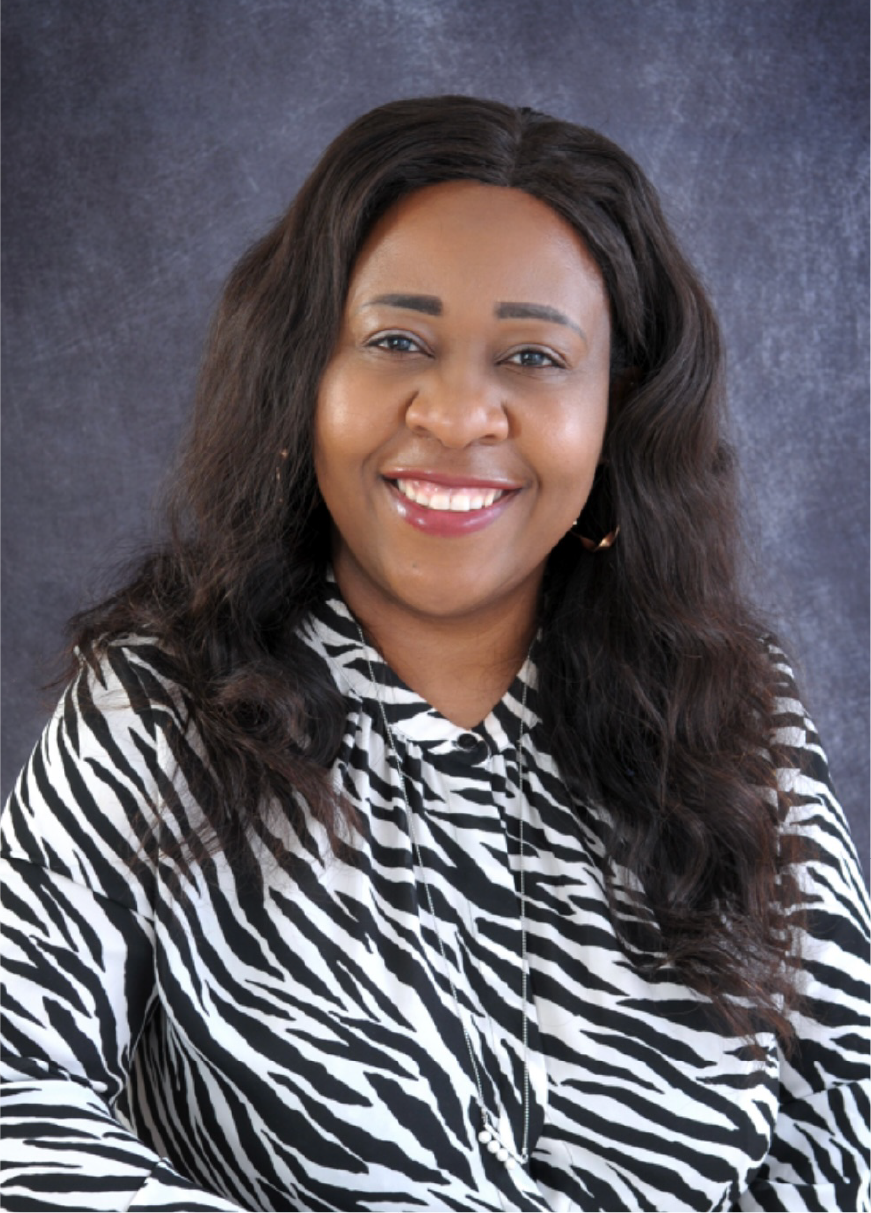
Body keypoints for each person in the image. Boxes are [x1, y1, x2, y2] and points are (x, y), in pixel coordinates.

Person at [1, 95, 869, 1213]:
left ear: (619, 412)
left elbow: (839, 1122)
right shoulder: (159, 708)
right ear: (303, 378)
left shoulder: (736, 714)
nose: (458, 415)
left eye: (533, 356)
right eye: (397, 341)